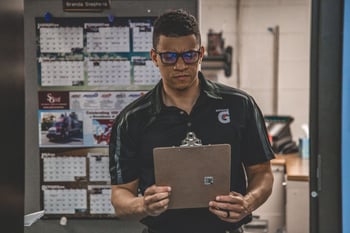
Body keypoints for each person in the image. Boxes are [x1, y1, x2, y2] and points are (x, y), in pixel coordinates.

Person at [109, 9, 274, 233]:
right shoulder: (132, 119)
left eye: (189, 55)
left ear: (201, 54)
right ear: (154, 57)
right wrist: (144, 204)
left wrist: (248, 203)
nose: (180, 66)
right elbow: (120, 196)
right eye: (169, 57)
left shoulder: (240, 105)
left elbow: (262, 173)